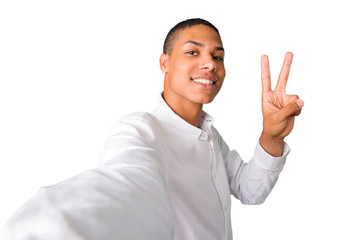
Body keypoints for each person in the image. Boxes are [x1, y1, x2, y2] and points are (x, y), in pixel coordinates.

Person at [1, 18, 303, 240]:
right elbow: (126, 185)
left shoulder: (210, 135)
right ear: (164, 62)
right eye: (193, 52)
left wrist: (271, 136)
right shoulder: (140, 130)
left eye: (218, 56)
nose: (210, 64)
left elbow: (250, 191)